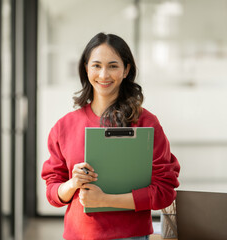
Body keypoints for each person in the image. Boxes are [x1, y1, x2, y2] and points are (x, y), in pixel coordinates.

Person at [41, 32, 180, 240]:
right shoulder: (64, 127)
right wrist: (72, 183)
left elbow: (164, 191)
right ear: (86, 68)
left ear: (126, 70)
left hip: (131, 236)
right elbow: (53, 192)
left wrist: (105, 199)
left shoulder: (146, 124)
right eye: (96, 65)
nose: (104, 75)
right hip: (79, 235)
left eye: (113, 66)